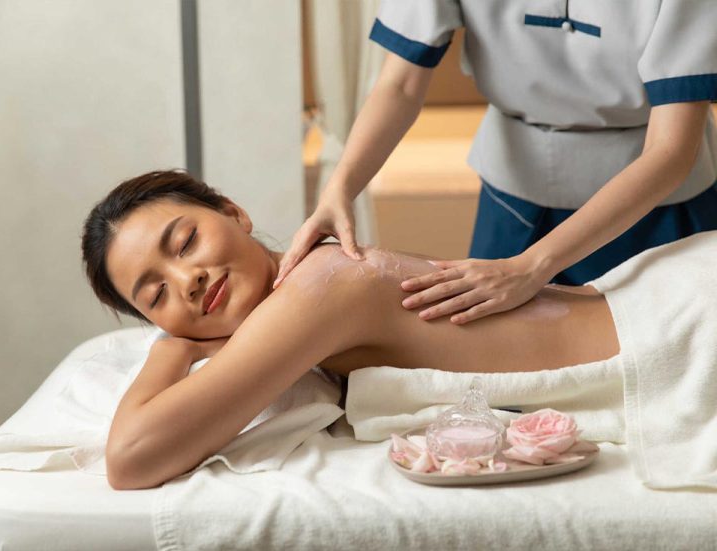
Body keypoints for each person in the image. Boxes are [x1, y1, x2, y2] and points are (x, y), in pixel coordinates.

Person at [80, 170, 660, 490]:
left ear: (235, 213)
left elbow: (130, 459)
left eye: (186, 243)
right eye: (156, 296)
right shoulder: (307, 284)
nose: (188, 280)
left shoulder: (317, 287)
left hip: (667, 332)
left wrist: (171, 350)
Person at [274, 0, 717, 326]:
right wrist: (340, 188)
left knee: (665, 361)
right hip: (514, 199)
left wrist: (532, 266)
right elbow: (400, 85)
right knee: (500, 382)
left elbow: (670, 150)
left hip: (659, 203)